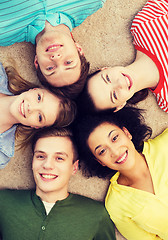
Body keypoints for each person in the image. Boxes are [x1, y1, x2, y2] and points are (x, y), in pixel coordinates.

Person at [0, 127, 116, 240]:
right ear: (32, 161)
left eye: (59, 158)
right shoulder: (4, 202)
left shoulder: (96, 215)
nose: (47, 165)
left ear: (74, 167)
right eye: (40, 156)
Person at [73, 106, 168, 239]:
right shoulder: (116, 205)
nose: (116, 152)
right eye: (102, 151)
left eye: (114, 138)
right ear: (100, 161)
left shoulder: (165, 144)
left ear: (127, 133)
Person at [0, 0, 106, 99]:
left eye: (50, 68)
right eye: (68, 62)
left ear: (37, 62)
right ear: (79, 50)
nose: (56, 58)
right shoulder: (91, 2)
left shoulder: (3, 32)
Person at [77, 0, 168, 113]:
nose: (120, 83)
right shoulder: (166, 101)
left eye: (108, 78)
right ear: (120, 106)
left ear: (105, 69)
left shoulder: (143, 26)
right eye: (114, 95)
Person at [0, 62, 76, 169]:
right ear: (35, 90)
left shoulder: (2, 154)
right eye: (39, 98)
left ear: (36, 126)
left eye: (40, 117)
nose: (31, 108)